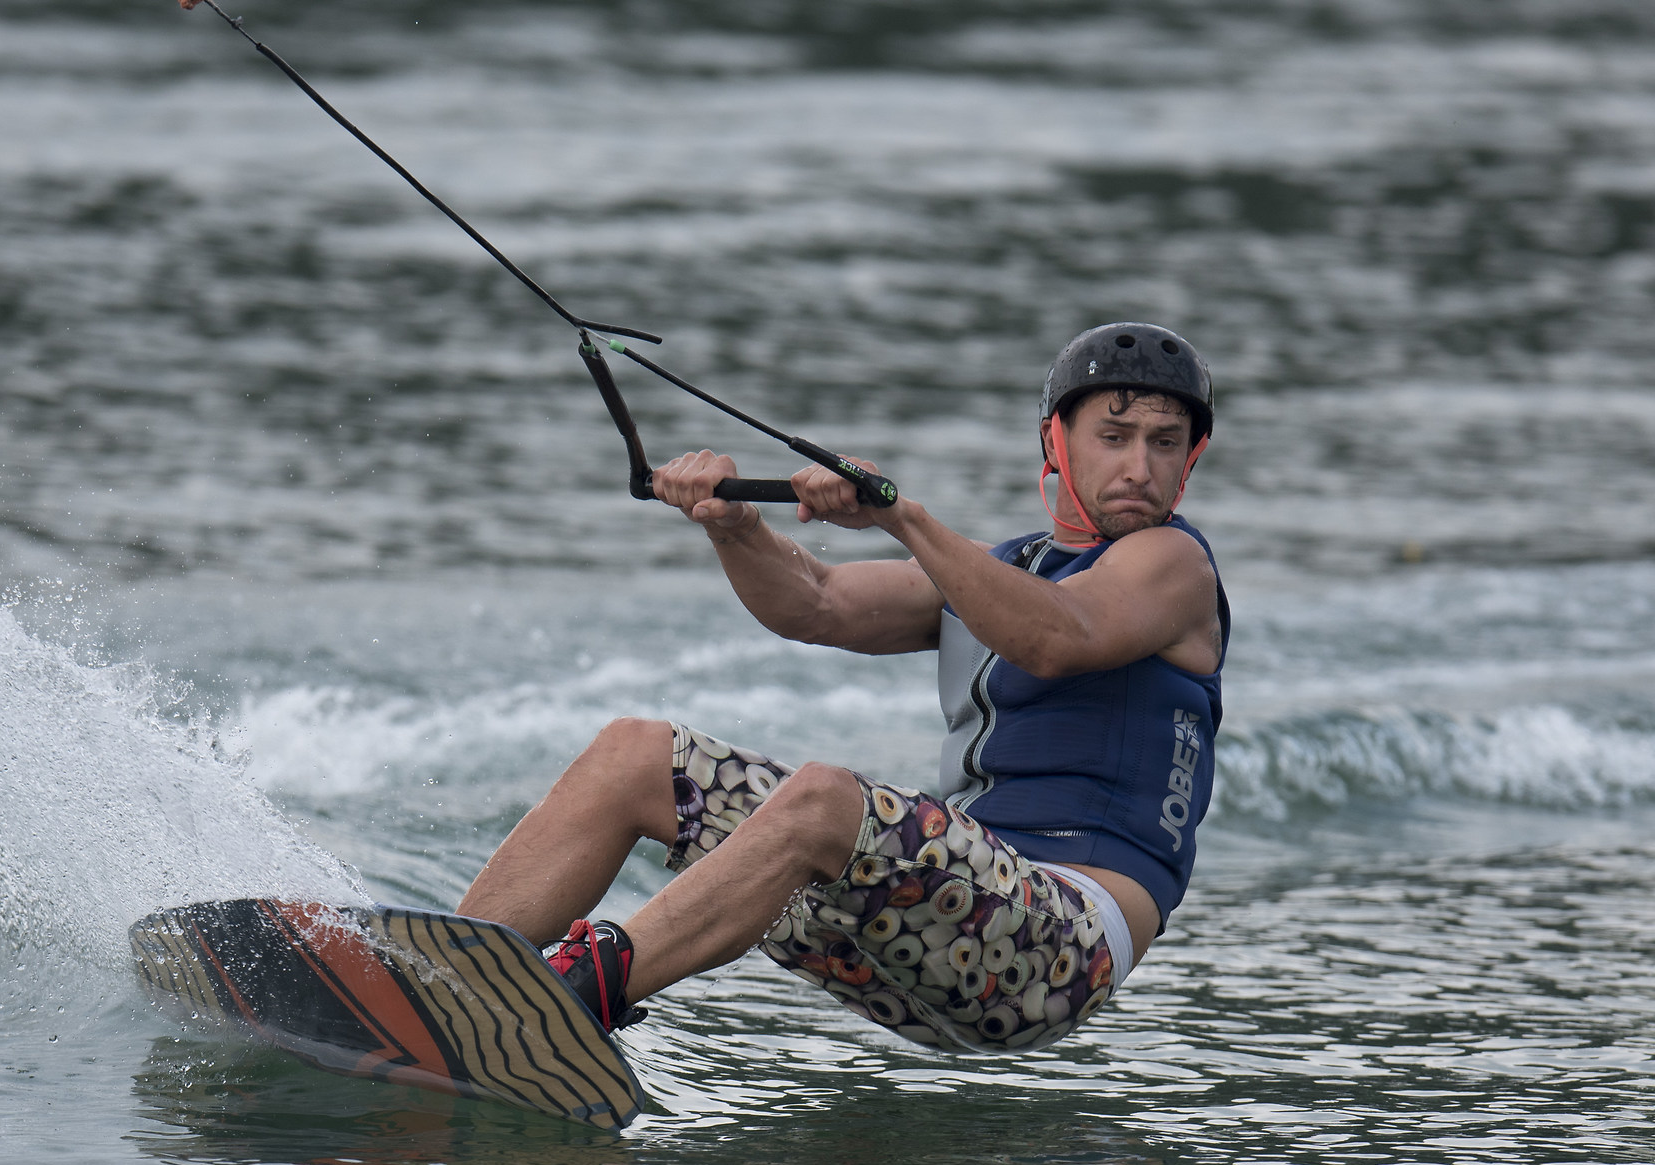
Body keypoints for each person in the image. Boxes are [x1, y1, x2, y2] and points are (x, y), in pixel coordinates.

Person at [457, 323, 1227, 1052]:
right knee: (636, 756)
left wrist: (904, 518)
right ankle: (444, 983)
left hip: (1058, 948)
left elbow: (1061, 637)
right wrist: (734, 528)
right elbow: (817, 602)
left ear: (1189, 459)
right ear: (1057, 443)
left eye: (1165, 444)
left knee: (828, 800)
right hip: (939, 924)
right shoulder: (1007, 571)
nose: (1140, 467)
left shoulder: (1173, 565)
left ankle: (569, 1001)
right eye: (1115, 438)